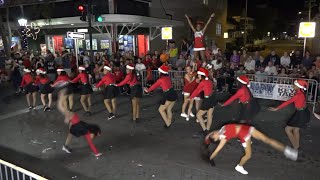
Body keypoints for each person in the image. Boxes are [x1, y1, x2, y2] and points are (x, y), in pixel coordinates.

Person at [203, 123, 298, 175]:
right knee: (248, 155)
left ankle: (287, 150)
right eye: (213, 135)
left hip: (247, 128)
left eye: (212, 134)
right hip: (244, 136)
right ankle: (239, 166)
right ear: (216, 139)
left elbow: (210, 134)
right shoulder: (223, 138)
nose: (213, 133)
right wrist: (210, 158)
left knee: (267, 139)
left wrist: (207, 140)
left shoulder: (219, 130)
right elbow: (217, 150)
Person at [57, 89, 102, 157]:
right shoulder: (65, 109)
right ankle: (96, 152)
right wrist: (67, 118)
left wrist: (62, 94)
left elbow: (63, 105)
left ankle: (65, 146)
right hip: (78, 125)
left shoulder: (66, 108)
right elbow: (62, 108)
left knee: (71, 134)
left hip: (76, 123)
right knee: (89, 137)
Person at [269, 80, 310, 150]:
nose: (293, 86)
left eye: (294, 85)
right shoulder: (301, 92)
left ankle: (295, 147)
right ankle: (296, 146)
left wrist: (277, 108)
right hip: (302, 112)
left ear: (298, 86)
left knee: (287, 129)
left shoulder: (298, 95)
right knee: (296, 130)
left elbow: (287, 102)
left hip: (300, 114)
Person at [190, 68, 217, 134]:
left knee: (199, 115)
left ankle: (205, 130)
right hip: (212, 98)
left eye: (199, 75)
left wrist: (191, 97)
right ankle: (207, 130)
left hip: (207, 100)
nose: (198, 76)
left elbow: (197, 90)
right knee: (209, 115)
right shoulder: (209, 81)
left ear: (202, 76)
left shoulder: (202, 82)